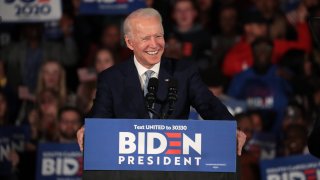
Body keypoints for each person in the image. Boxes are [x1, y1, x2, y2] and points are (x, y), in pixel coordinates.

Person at [77, 8, 246, 180]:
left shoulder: (183, 72)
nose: (154, 44)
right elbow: (100, 114)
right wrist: (89, 128)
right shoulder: (111, 77)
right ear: (129, 43)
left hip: (175, 170)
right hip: (130, 171)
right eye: (145, 38)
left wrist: (231, 127)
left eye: (158, 36)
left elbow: (208, 104)